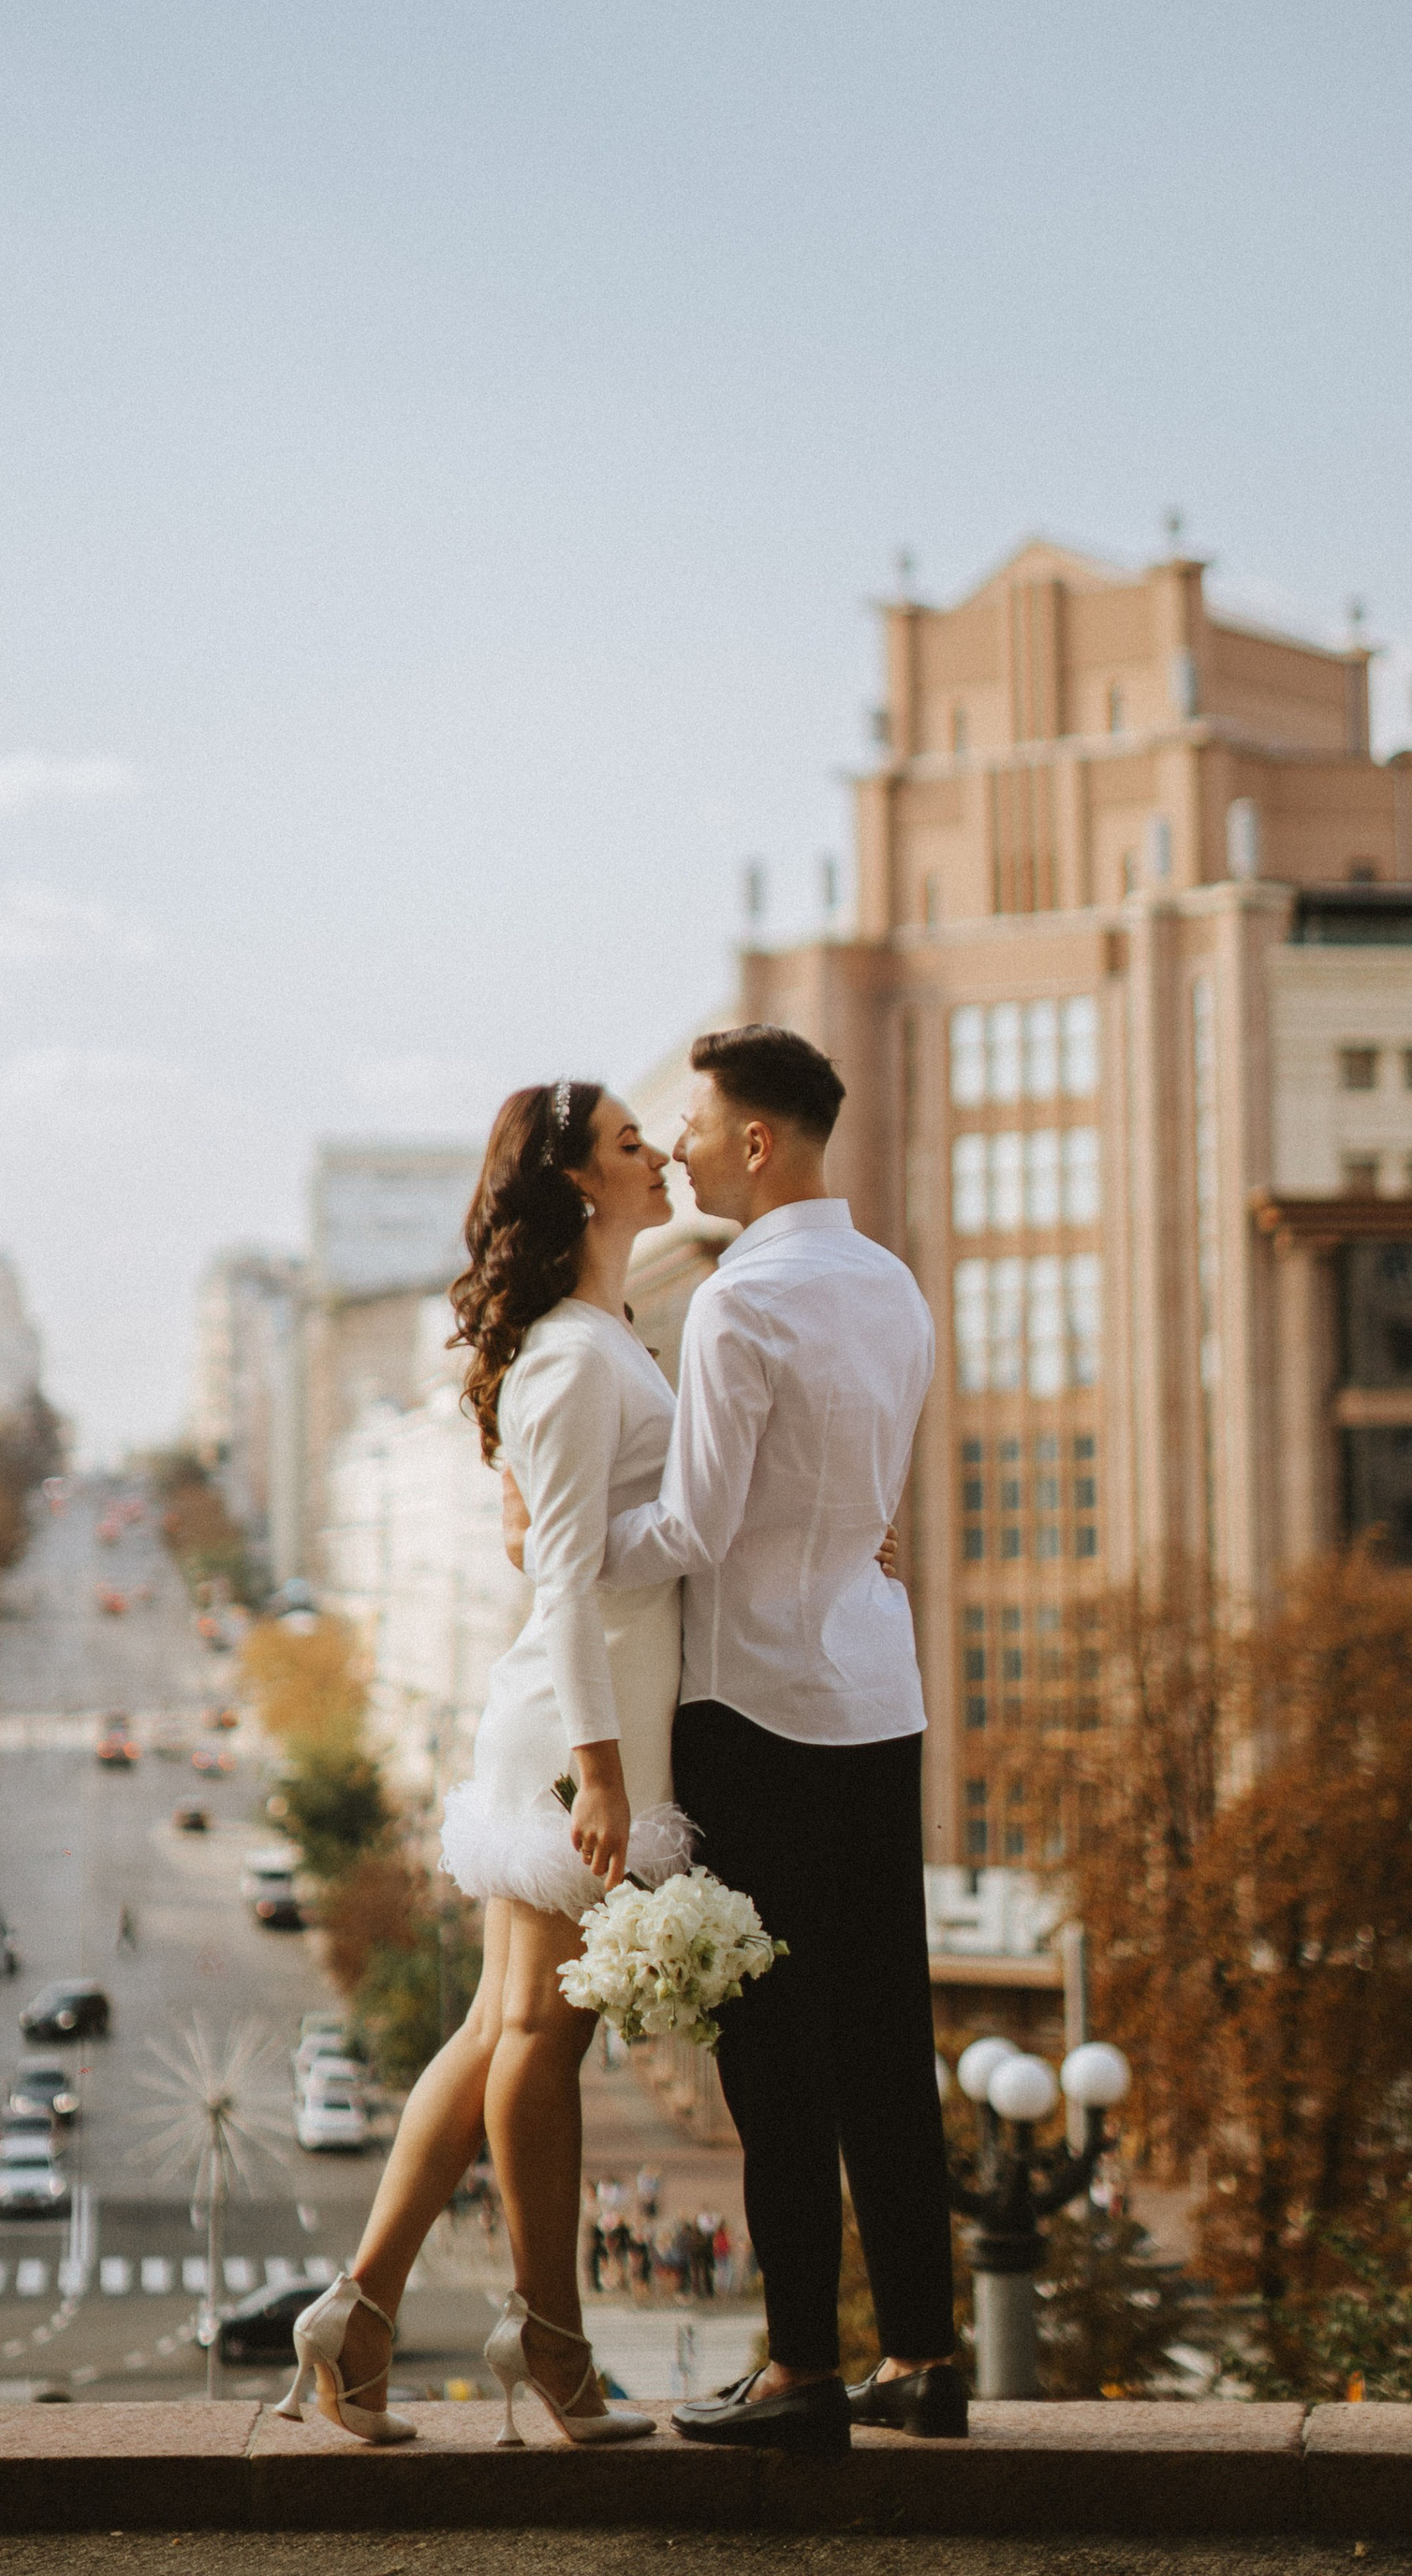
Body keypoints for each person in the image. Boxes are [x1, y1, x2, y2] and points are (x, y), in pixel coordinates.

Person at [537, 1023, 966, 2452]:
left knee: (775, 2048)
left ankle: (800, 2370)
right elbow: (867, 1503)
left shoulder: (738, 1302)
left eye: (700, 1125)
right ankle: (923, 2350)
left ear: (760, 1143)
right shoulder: (894, 1286)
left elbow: (697, 1530)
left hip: (755, 1704)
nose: (683, 1146)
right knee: (888, 2035)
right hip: (876, 1689)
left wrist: (580, 1544)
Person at [278, 1081, 680, 2451]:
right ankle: (552, 2342)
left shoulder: (601, 1333)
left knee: (500, 2028)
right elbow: (564, 1584)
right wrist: (605, 1773)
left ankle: (359, 2315)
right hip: (581, 1727)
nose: (662, 1153)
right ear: (574, 1185)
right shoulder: (575, 1358)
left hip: (594, 1719)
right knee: (540, 2038)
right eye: (633, 1145)